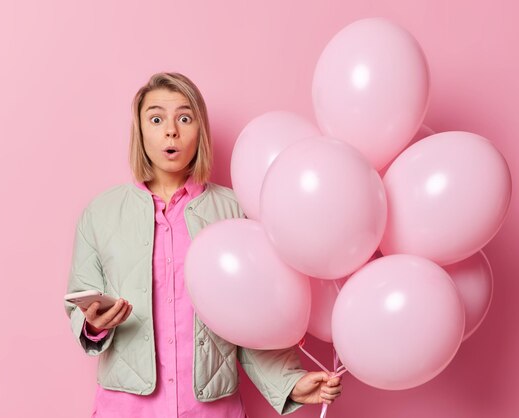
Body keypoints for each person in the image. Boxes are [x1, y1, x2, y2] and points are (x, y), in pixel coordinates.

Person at [64, 72, 342, 417]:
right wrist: (94, 324)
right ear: (140, 131)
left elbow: (252, 315)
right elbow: (81, 305)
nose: (171, 131)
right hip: (125, 409)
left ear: (200, 129)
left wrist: (290, 381)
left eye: (184, 117)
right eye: (156, 118)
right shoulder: (100, 214)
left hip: (211, 409)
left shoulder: (234, 210)